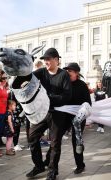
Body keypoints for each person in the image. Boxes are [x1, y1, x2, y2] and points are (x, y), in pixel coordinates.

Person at [25, 47, 72, 180]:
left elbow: (67, 96)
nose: (46, 62)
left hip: (57, 113)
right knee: (32, 138)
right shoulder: (41, 72)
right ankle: (39, 165)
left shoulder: (63, 75)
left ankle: (52, 170)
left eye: (48, 59)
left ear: (57, 60)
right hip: (42, 113)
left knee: (55, 143)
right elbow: (28, 76)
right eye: (44, 60)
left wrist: (49, 97)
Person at [63, 62, 92, 174]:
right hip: (66, 116)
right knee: (56, 137)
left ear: (76, 73)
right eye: (67, 70)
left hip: (79, 118)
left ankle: (80, 165)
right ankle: (48, 162)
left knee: (76, 141)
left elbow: (88, 103)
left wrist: (80, 115)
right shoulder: (64, 84)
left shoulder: (82, 85)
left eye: (70, 71)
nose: (67, 72)